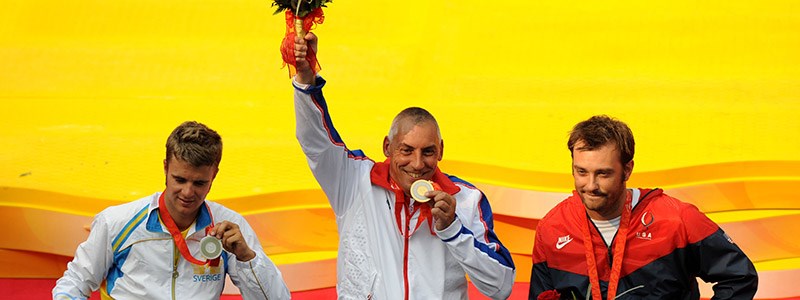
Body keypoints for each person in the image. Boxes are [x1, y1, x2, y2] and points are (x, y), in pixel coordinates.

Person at [289, 33, 515, 299]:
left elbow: (501, 287)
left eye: (428, 152)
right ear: (387, 147)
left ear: (441, 150)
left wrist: (453, 229)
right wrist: (305, 77)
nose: (417, 164)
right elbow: (315, 140)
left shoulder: (464, 200)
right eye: (406, 150)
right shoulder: (354, 181)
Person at [53, 121, 290, 300]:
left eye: (199, 183)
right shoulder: (117, 221)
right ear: (166, 168)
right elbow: (75, 281)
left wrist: (247, 257)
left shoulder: (228, 226)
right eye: (179, 179)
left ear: (214, 175)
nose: (188, 193)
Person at [529, 115, 758, 300]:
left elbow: (739, 277)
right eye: (581, 172)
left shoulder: (677, 220)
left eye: (603, 173)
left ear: (627, 170)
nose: (591, 185)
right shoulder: (553, 227)